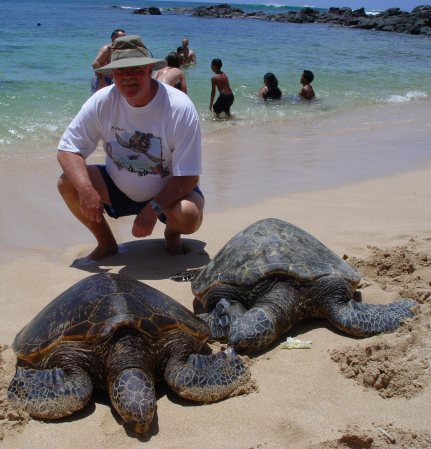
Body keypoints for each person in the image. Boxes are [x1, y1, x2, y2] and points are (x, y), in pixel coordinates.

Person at [58, 35, 204, 261]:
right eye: (120, 71)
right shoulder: (102, 101)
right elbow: (67, 150)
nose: (127, 77)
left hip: (167, 193)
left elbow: (189, 176)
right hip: (117, 186)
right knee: (67, 183)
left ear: (149, 70)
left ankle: (172, 234)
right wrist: (87, 191)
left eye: (134, 69)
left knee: (189, 215)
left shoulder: (179, 108)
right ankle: (106, 243)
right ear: (112, 75)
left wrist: (152, 209)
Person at [91, 28, 126, 94]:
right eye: (121, 38)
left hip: (112, 80)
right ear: (113, 38)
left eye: (124, 38)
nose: (123, 40)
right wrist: (102, 81)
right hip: (100, 79)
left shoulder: (120, 50)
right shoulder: (107, 49)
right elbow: (95, 63)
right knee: (98, 101)